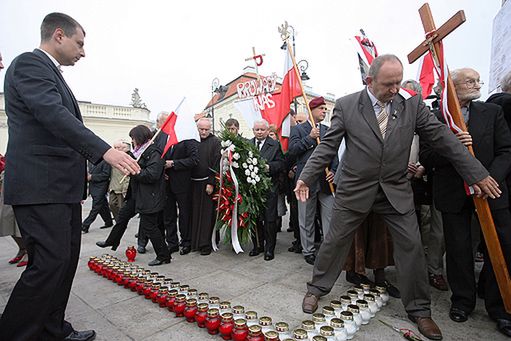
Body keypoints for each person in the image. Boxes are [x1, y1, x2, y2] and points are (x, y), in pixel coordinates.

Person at [295, 54, 500, 341]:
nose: (394, 90)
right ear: (369, 81)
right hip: (355, 188)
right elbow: (328, 146)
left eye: (398, 83)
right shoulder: (347, 105)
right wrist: (306, 176)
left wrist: (475, 172)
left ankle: (419, 310)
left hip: (394, 189)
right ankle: (316, 289)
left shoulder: (411, 104)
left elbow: (442, 138)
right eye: (388, 84)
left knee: (412, 246)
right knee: (334, 241)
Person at [0, 12, 140, 341]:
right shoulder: (29, 65)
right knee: (47, 266)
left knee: (62, 263)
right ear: (58, 35)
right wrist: (105, 150)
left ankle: (52, 328)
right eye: (80, 43)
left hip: (60, 189)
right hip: (40, 187)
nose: (83, 51)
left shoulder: (52, 73)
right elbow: (53, 115)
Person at [420, 67, 511, 337]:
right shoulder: (437, 118)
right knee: (459, 250)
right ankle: (462, 301)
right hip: (454, 194)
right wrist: (453, 149)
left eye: (477, 80)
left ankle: (500, 307)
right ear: (454, 86)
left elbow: (506, 150)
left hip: (491, 192)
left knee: (500, 248)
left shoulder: (491, 113)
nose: (476, 84)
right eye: (469, 81)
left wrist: (487, 179)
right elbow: (426, 156)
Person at [289, 96, 338, 265]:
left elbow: (333, 153)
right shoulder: (299, 129)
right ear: (312, 110)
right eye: (321, 108)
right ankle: (308, 250)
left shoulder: (327, 130)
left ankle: (328, 250)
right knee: (306, 218)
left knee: (329, 218)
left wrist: (334, 170)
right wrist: (310, 138)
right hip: (306, 181)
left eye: (325, 109)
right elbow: (293, 151)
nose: (324, 111)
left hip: (325, 181)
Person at [128, 125, 171, 266]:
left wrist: (136, 171)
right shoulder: (142, 152)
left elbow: (152, 174)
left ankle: (163, 255)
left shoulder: (154, 153)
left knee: (150, 226)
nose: (132, 141)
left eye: (133, 138)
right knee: (151, 226)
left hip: (152, 195)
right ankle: (164, 254)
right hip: (144, 195)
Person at [250, 119, 286, 260]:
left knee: (270, 219)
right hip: (252, 189)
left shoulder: (275, 145)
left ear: (267, 130)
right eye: (257, 129)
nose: (259, 132)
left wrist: (269, 167)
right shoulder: (247, 144)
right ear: (253, 130)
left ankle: (269, 249)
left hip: (269, 187)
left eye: (262, 130)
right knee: (254, 218)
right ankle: (257, 246)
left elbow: (282, 164)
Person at [163, 138, 199, 255]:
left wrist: (173, 163)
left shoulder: (187, 140)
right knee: (169, 215)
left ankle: (186, 242)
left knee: (184, 215)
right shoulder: (162, 139)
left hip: (183, 184)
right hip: (166, 183)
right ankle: (172, 243)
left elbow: (193, 160)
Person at [190, 118, 221, 255]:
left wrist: (210, 182)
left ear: (210, 129)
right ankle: (194, 242)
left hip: (207, 183)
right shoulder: (192, 140)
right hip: (192, 182)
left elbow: (216, 164)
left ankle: (205, 244)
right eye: (201, 129)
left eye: (206, 129)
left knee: (207, 214)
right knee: (194, 213)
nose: (203, 132)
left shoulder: (215, 142)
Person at [81, 159, 113, 233]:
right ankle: (108, 222)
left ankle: (85, 225)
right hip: (93, 186)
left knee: (96, 207)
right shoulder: (90, 160)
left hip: (101, 187)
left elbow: (106, 175)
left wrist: (92, 177)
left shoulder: (105, 161)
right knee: (102, 205)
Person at [108, 140, 131, 222]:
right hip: (113, 186)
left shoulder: (126, 158)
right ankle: (118, 220)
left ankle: (121, 222)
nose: (116, 149)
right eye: (115, 147)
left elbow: (128, 174)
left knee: (122, 207)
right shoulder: (111, 158)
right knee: (111, 204)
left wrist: (125, 187)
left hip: (121, 186)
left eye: (118, 147)